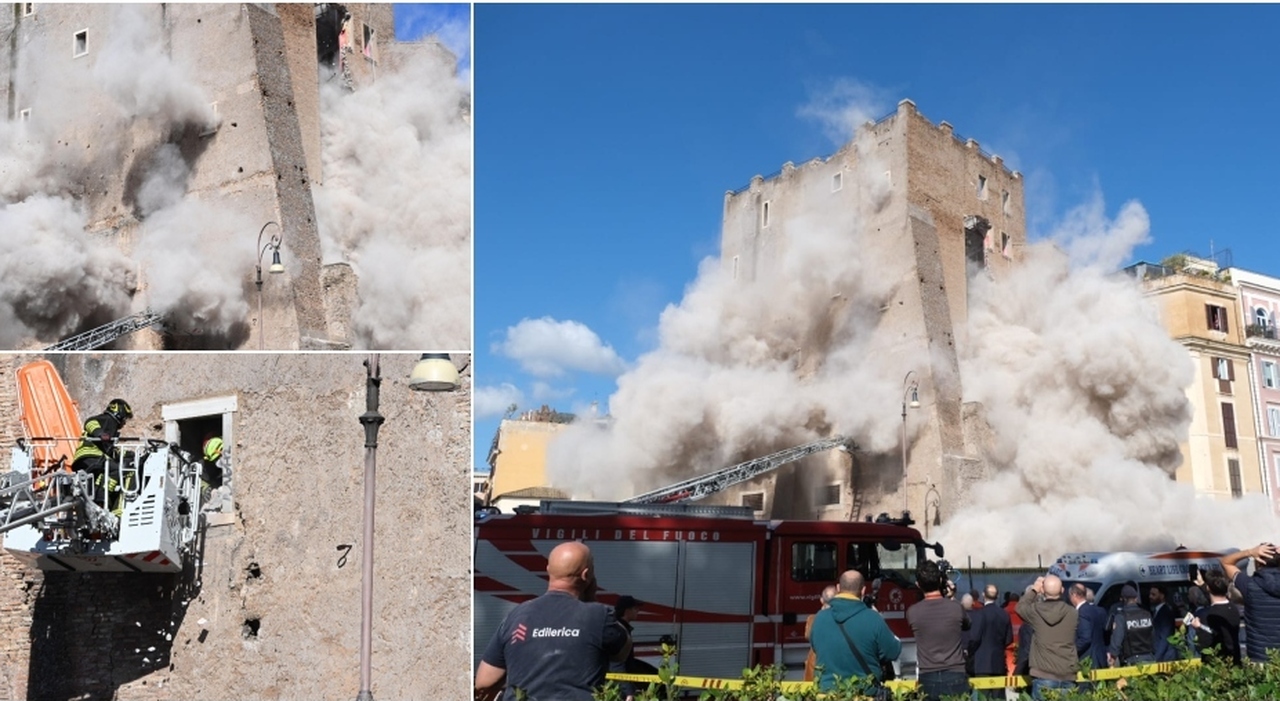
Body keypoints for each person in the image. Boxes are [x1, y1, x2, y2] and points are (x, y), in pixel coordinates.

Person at [475, 542, 631, 701]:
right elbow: (622, 653)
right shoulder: (599, 615)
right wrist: (591, 600)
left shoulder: (516, 615)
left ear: (548, 570)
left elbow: (483, 682)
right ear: (586, 575)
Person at [810, 569, 901, 697]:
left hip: (827, 694)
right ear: (863, 590)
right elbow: (893, 651)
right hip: (865, 693)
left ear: (838, 588)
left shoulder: (819, 618)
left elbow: (815, 648)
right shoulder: (873, 618)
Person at [906, 561, 970, 701]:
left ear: (918, 584)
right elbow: (967, 625)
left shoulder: (913, 612)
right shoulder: (956, 608)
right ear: (940, 580)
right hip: (955, 672)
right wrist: (952, 597)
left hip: (927, 674)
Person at [1016, 575, 1078, 701]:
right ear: (1062, 590)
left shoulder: (1035, 611)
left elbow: (1020, 607)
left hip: (1043, 674)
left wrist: (1034, 590)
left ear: (1043, 591)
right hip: (1067, 673)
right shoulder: (1072, 613)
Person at [70, 398, 133, 514]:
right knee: (116, 469)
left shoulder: (112, 428)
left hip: (90, 458)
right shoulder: (107, 420)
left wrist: (128, 454)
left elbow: (110, 450)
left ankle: (98, 497)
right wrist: (100, 433)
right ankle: (101, 499)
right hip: (90, 454)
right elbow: (90, 422)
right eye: (124, 418)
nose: (124, 423)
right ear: (119, 413)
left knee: (107, 469)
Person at [1221, 543, 1280, 663]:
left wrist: (1250, 552)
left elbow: (1225, 562)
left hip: (1260, 657)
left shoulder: (1249, 585)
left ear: (1258, 562)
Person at [610, 595, 659, 700]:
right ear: (627, 611)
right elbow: (616, 664)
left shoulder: (620, 628)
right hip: (618, 688)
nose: (638, 611)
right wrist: (628, 691)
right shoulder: (619, 632)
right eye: (635, 608)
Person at [968, 584, 1012, 699]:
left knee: (982, 697)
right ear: (997, 596)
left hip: (982, 662)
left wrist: (970, 652)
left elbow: (974, 637)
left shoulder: (979, 614)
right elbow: (1009, 639)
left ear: (983, 595)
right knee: (999, 697)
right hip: (998, 662)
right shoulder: (1004, 614)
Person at [1188, 571, 1242, 665]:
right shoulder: (1233, 608)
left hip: (1217, 665)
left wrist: (1199, 627)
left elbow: (1206, 644)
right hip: (1234, 660)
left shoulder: (1208, 615)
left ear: (1208, 588)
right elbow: (1216, 597)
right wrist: (1202, 584)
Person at [1107, 585, 1155, 667]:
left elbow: (1117, 639)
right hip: (1150, 658)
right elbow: (1153, 636)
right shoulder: (1147, 614)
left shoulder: (1121, 617)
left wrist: (1113, 656)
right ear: (1136, 598)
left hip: (1133, 661)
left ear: (1123, 599)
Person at [1068, 583, 1107, 673]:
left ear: (1074, 595)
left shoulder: (1082, 612)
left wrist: (1072, 651)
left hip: (1088, 659)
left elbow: (1085, 638)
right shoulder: (1097, 610)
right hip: (1100, 657)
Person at [804, 584, 838, 681]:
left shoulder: (813, 619)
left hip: (816, 664)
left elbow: (808, 636)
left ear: (822, 600)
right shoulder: (842, 618)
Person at [200, 436, 231, 511]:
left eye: (219, 457)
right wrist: (205, 488)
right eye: (215, 459)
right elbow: (198, 479)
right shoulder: (207, 468)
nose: (219, 461)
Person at [1148, 585, 1177, 661]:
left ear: (1162, 596)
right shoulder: (1156, 611)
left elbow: (1165, 637)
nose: (1150, 597)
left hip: (1166, 656)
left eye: (1153, 594)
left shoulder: (1166, 612)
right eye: (1150, 594)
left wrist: (1157, 657)